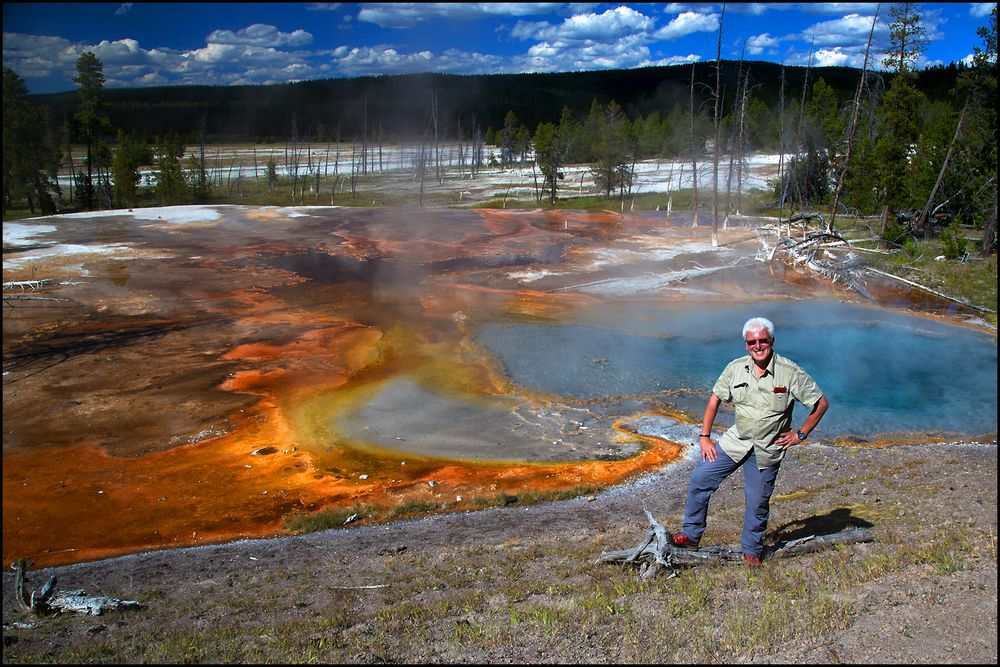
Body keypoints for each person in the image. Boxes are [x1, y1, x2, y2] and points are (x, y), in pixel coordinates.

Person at [673, 316, 829, 566]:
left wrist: (800, 434)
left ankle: (752, 550)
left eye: (762, 340)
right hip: (736, 441)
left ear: (772, 341)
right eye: (752, 342)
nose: (758, 346)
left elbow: (821, 404)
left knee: (757, 502)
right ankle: (691, 537)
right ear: (746, 345)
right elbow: (714, 400)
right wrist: (705, 437)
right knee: (700, 480)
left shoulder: (790, 372)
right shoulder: (735, 368)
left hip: (767, 448)